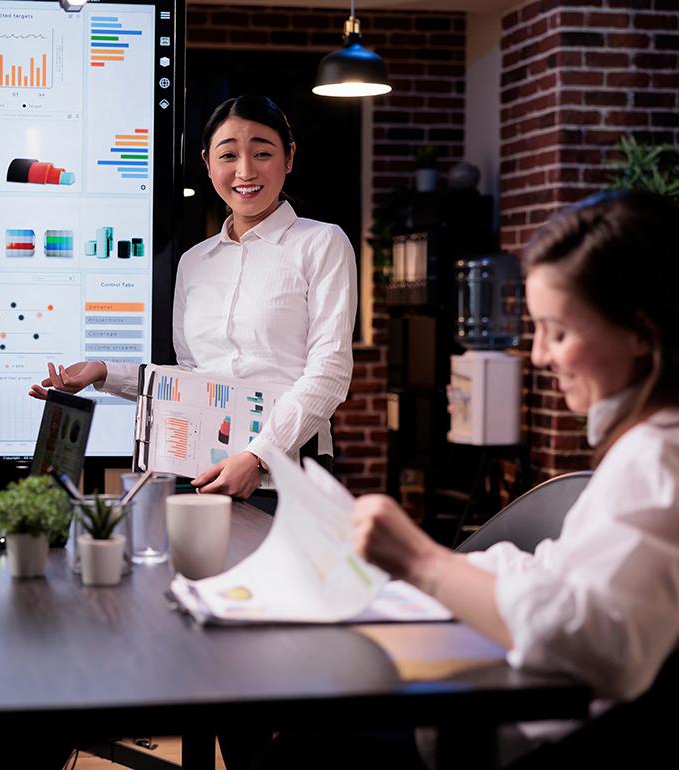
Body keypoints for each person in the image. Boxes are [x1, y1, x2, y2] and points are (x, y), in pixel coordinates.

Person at [271, 189, 679, 769]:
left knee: (305, 745)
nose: (538, 356)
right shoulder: (646, 448)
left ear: (642, 333)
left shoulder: (657, 459)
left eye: (557, 333)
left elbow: (599, 647)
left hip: (512, 744)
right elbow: (564, 576)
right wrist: (427, 573)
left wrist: (422, 563)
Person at [32, 95, 356, 503]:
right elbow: (189, 380)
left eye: (262, 153)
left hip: (289, 475)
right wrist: (102, 372)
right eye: (228, 155)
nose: (245, 171)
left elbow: (330, 372)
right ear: (207, 163)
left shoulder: (322, 242)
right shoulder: (195, 262)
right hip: (203, 472)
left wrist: (257, 457)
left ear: (289, 158)